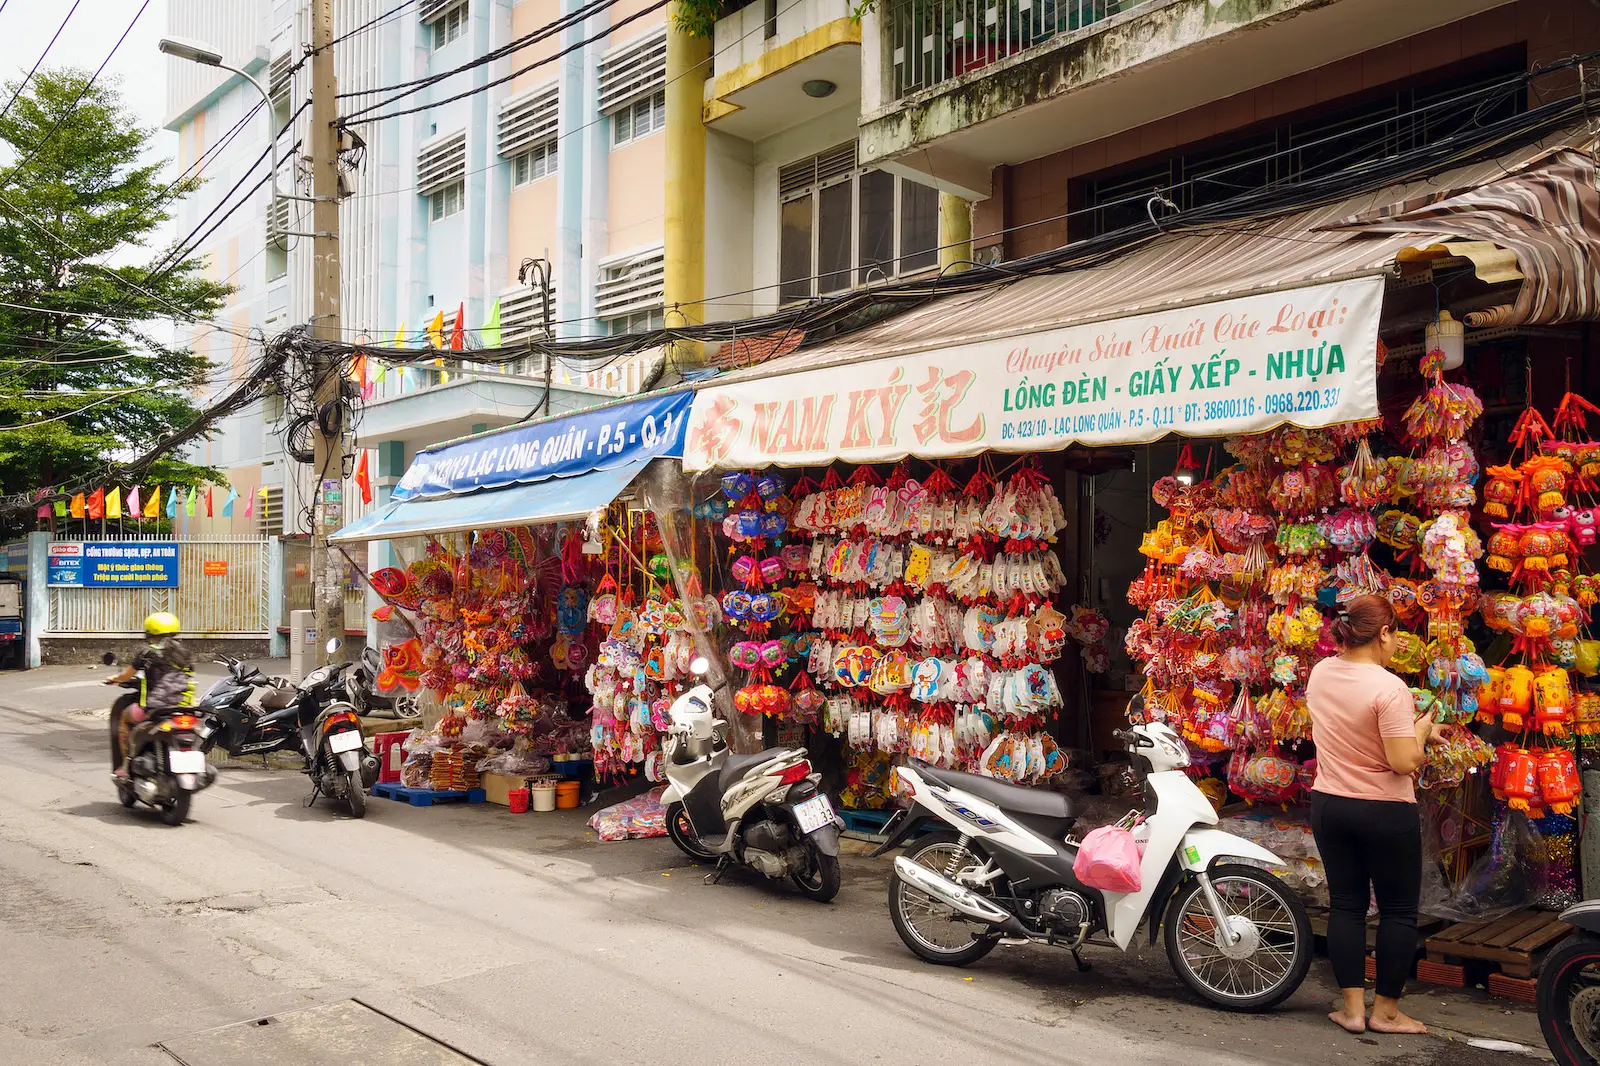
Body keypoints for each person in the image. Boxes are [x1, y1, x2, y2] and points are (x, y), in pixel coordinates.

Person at [1307, 593, 1445, 1036]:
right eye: (1395, 632)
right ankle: (1385, 1012)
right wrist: (1421, 730)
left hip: (1331, 803)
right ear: (1383, 633)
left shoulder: (1321, 672)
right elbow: (1403, 761)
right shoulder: (1390, 688)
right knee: (1398, 911)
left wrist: (1413, 730)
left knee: (1346, 905)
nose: (1397, 642)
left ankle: (1352, 1010)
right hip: (1384, 811)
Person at [105, 612, 196, 778]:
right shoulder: (185, 654)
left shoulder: (147, 653)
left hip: (155, 708)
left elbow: (126, 676)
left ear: (149, 633)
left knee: (124, 719)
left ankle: (126, 764)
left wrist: (114, 678)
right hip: (184, 708)